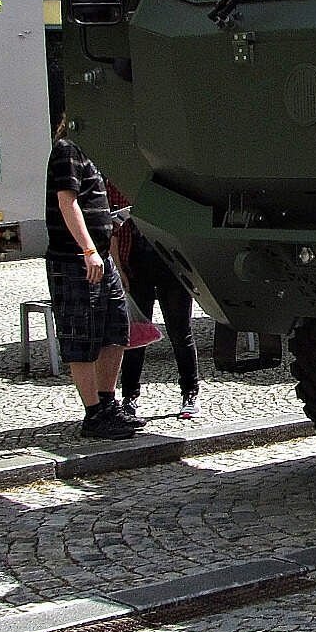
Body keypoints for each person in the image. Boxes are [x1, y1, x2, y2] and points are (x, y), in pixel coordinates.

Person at [46, 125, 139, 440]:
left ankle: (108, 404)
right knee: (81, 338)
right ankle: (93, 415)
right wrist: (88, 250)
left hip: (102, 257)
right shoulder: (67, 149)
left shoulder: (94, 155)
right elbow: (67, 202)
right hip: (76, 260)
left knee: (116, 331)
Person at [111, 193, 201, 421]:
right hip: (136, 264)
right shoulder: (117, 181)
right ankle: (129, 396)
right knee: (135, 335)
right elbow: (113, 229)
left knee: (180, 332)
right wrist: (119, 268)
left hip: (171, 264)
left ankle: (190, 392)